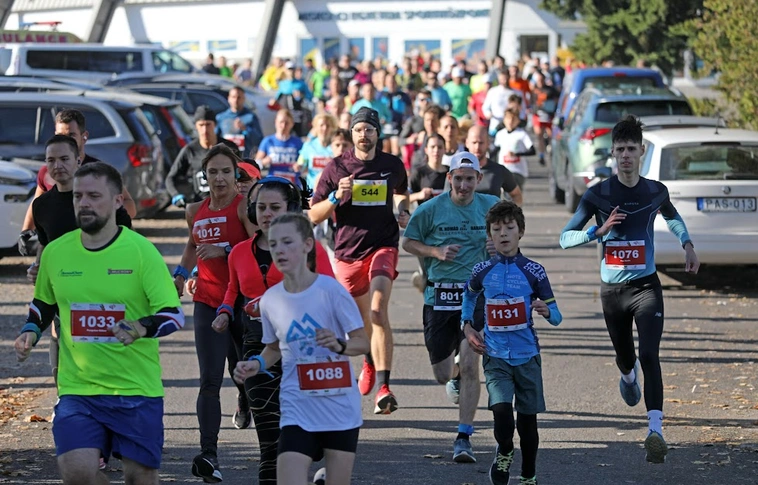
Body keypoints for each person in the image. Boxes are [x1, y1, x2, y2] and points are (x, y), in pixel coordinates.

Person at [14, 161, 184, 485]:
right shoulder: (56, 253)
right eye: (78, 196)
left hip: (135, 389)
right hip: (78, 389)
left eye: (94, 196)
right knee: (76, 473)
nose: (84, 203)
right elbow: (43, 303)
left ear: (118, 200)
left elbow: (173, 314)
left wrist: (140, 327)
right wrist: (30, 330)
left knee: (140, 478)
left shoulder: (141, 252)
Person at [559, 115, 699, 465]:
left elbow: (672, 216)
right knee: (627, 357)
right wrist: (598, 231)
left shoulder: (655, 191)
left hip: (646, 287)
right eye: (620, 149)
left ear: (641, 151)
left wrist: (687, 244)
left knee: (649, 354)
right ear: (612, 153)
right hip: (613, 292)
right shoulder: (599, 194)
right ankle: (626, 373)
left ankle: (656, 432)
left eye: (631, 149)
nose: (625, 156)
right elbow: (564, 238)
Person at [213, 177, 335, 484]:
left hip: (305, 349)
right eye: (261, 207)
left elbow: (330, 293)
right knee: (270, 441)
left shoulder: (310, 249)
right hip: (258, 347)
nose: (267, 214)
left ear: (291, 210)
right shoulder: (239, 252)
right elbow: (233, 290)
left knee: (306, 437)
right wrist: (225, 311)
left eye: (275, 207)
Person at [233, 213, 370, 485]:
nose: (279, 251)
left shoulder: (331, 291)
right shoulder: (270, 300)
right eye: (274, 244)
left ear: (308, 244)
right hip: (297, 407)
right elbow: (273, 349)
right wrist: (256, 364)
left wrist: (339, 344)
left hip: (338, 407)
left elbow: (363, 342)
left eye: (287, 242)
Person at [309, 107, 410, 414]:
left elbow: (401, 192)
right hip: (348, 253)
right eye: (358, 130)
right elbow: (313, 215)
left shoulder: (392, 165)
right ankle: (368, 360)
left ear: (377, 133)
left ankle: (384, 387)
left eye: (369, 129)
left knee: (378, 310)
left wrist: (403, 210)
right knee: (361, 320)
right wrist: (335, 198)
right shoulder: (337, 167)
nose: (364, 135)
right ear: (351, 133)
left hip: (383, 245)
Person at [403, 152, 498, 463]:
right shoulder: (430, 210)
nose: (463, 185)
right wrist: (435, 251)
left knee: (472, 365)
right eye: (458, 179)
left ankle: (463, 437)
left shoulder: (491, 207)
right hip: (439, 298)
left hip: (475, 297)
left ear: (478, 179)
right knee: (442, 374)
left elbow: (512, 237)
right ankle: (453, 373)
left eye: (469, 179)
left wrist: (498, 247)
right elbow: (408, 241)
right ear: (449, 178)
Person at [172, 145, 257, 482]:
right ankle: (209, 454)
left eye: (226, 171)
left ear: (236, 175)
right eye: (213, 172)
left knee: (246, 373)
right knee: (209, 379)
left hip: (241, 302)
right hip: (207, 301)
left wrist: (224, 250)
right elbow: (192, 245)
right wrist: (181, 274)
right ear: (204, 176)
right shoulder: (195, 210)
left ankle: (246, 401)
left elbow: (258, 246)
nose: (219, 178)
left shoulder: (244, 207)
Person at [462, 201, 562, 485]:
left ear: (521, 232)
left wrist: (547, 311)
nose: (503, 234)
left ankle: (528, 474)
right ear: (489, 236)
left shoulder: (534, 271)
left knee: (528, 423)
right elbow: (469, 295)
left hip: (527, 356)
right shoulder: (482, 270)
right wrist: (467, 326)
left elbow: (557, 316)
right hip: (495, 355)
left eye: (509, 228)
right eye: (496, 229)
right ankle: (505, 451)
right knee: (502, 414)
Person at [19, 110, 137, 246]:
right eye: (60, 135)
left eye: (71, 135)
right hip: (58, 243)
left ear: (84, 136)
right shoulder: (47, 171)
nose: (65, 140)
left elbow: (128, 205)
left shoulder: (100, 171)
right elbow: (38, 203)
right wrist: (26, 230)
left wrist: (102, 221)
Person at [166, 106, 240, 207]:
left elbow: (243, 173)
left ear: (215, 125)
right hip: (201, 206)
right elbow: (171, 178)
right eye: (201, 125)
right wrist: (176, 195)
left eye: (208, 124)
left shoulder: (230, 147)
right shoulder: (190, 150)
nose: (205, 129)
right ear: (196, 126)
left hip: (228, 205)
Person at [446, 126, 522, 205]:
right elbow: (445, 200)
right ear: (467, 143)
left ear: (488, 143)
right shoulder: (456, 171)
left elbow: (516, 195)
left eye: (481, 143)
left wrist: (508, 211)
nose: (477, 147)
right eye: (474, 142)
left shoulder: (499, 170)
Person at [255, 109, 304, 183]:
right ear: (275, 122)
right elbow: (255, 164)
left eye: (287, 123)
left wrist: (299, 166)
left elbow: (305, 164)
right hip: (273, 182)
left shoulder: (298, 142)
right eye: (281, 122)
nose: (283, 126)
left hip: (292, 183)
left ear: (292, 124)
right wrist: (264, 161)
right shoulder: (268, 141)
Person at [216, 86, 264, 158]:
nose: (236, 100)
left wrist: (245, 129)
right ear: (228, 98)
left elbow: (259, 139)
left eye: (239, 97)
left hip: (244, 158)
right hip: (226, 158)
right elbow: (215, 139)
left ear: (243, 99)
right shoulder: (221, 118)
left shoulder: (250, 117)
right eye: (233, 97)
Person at [494, 108, 535, 190]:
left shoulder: (522, 134)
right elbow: (495, 151)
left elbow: (532, 151)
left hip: (518, 171)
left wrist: (516, 154)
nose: (510, 121)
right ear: (504, 120)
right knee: (505, 194)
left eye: (513, 119)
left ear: (518, 121)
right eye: (508, 119)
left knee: (514, 193)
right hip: (503, 170)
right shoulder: (500, 134)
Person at [295, 114, 336, 190]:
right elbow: (301, 163)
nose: (324, 128)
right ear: (316, 127)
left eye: (328, 126)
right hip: (312, 189)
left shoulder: (336, 146)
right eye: (321, 125)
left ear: (333, 128)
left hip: (330, 190)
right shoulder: (308, 145)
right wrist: (299, 166)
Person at [483, 70, 517, 136]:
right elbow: (485, 107)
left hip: (510, 124)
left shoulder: (515, 93)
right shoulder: (493, 91)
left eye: (505, 79)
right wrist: (488, 114)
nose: (504, 81)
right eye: (502, 79)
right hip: (496, 123)